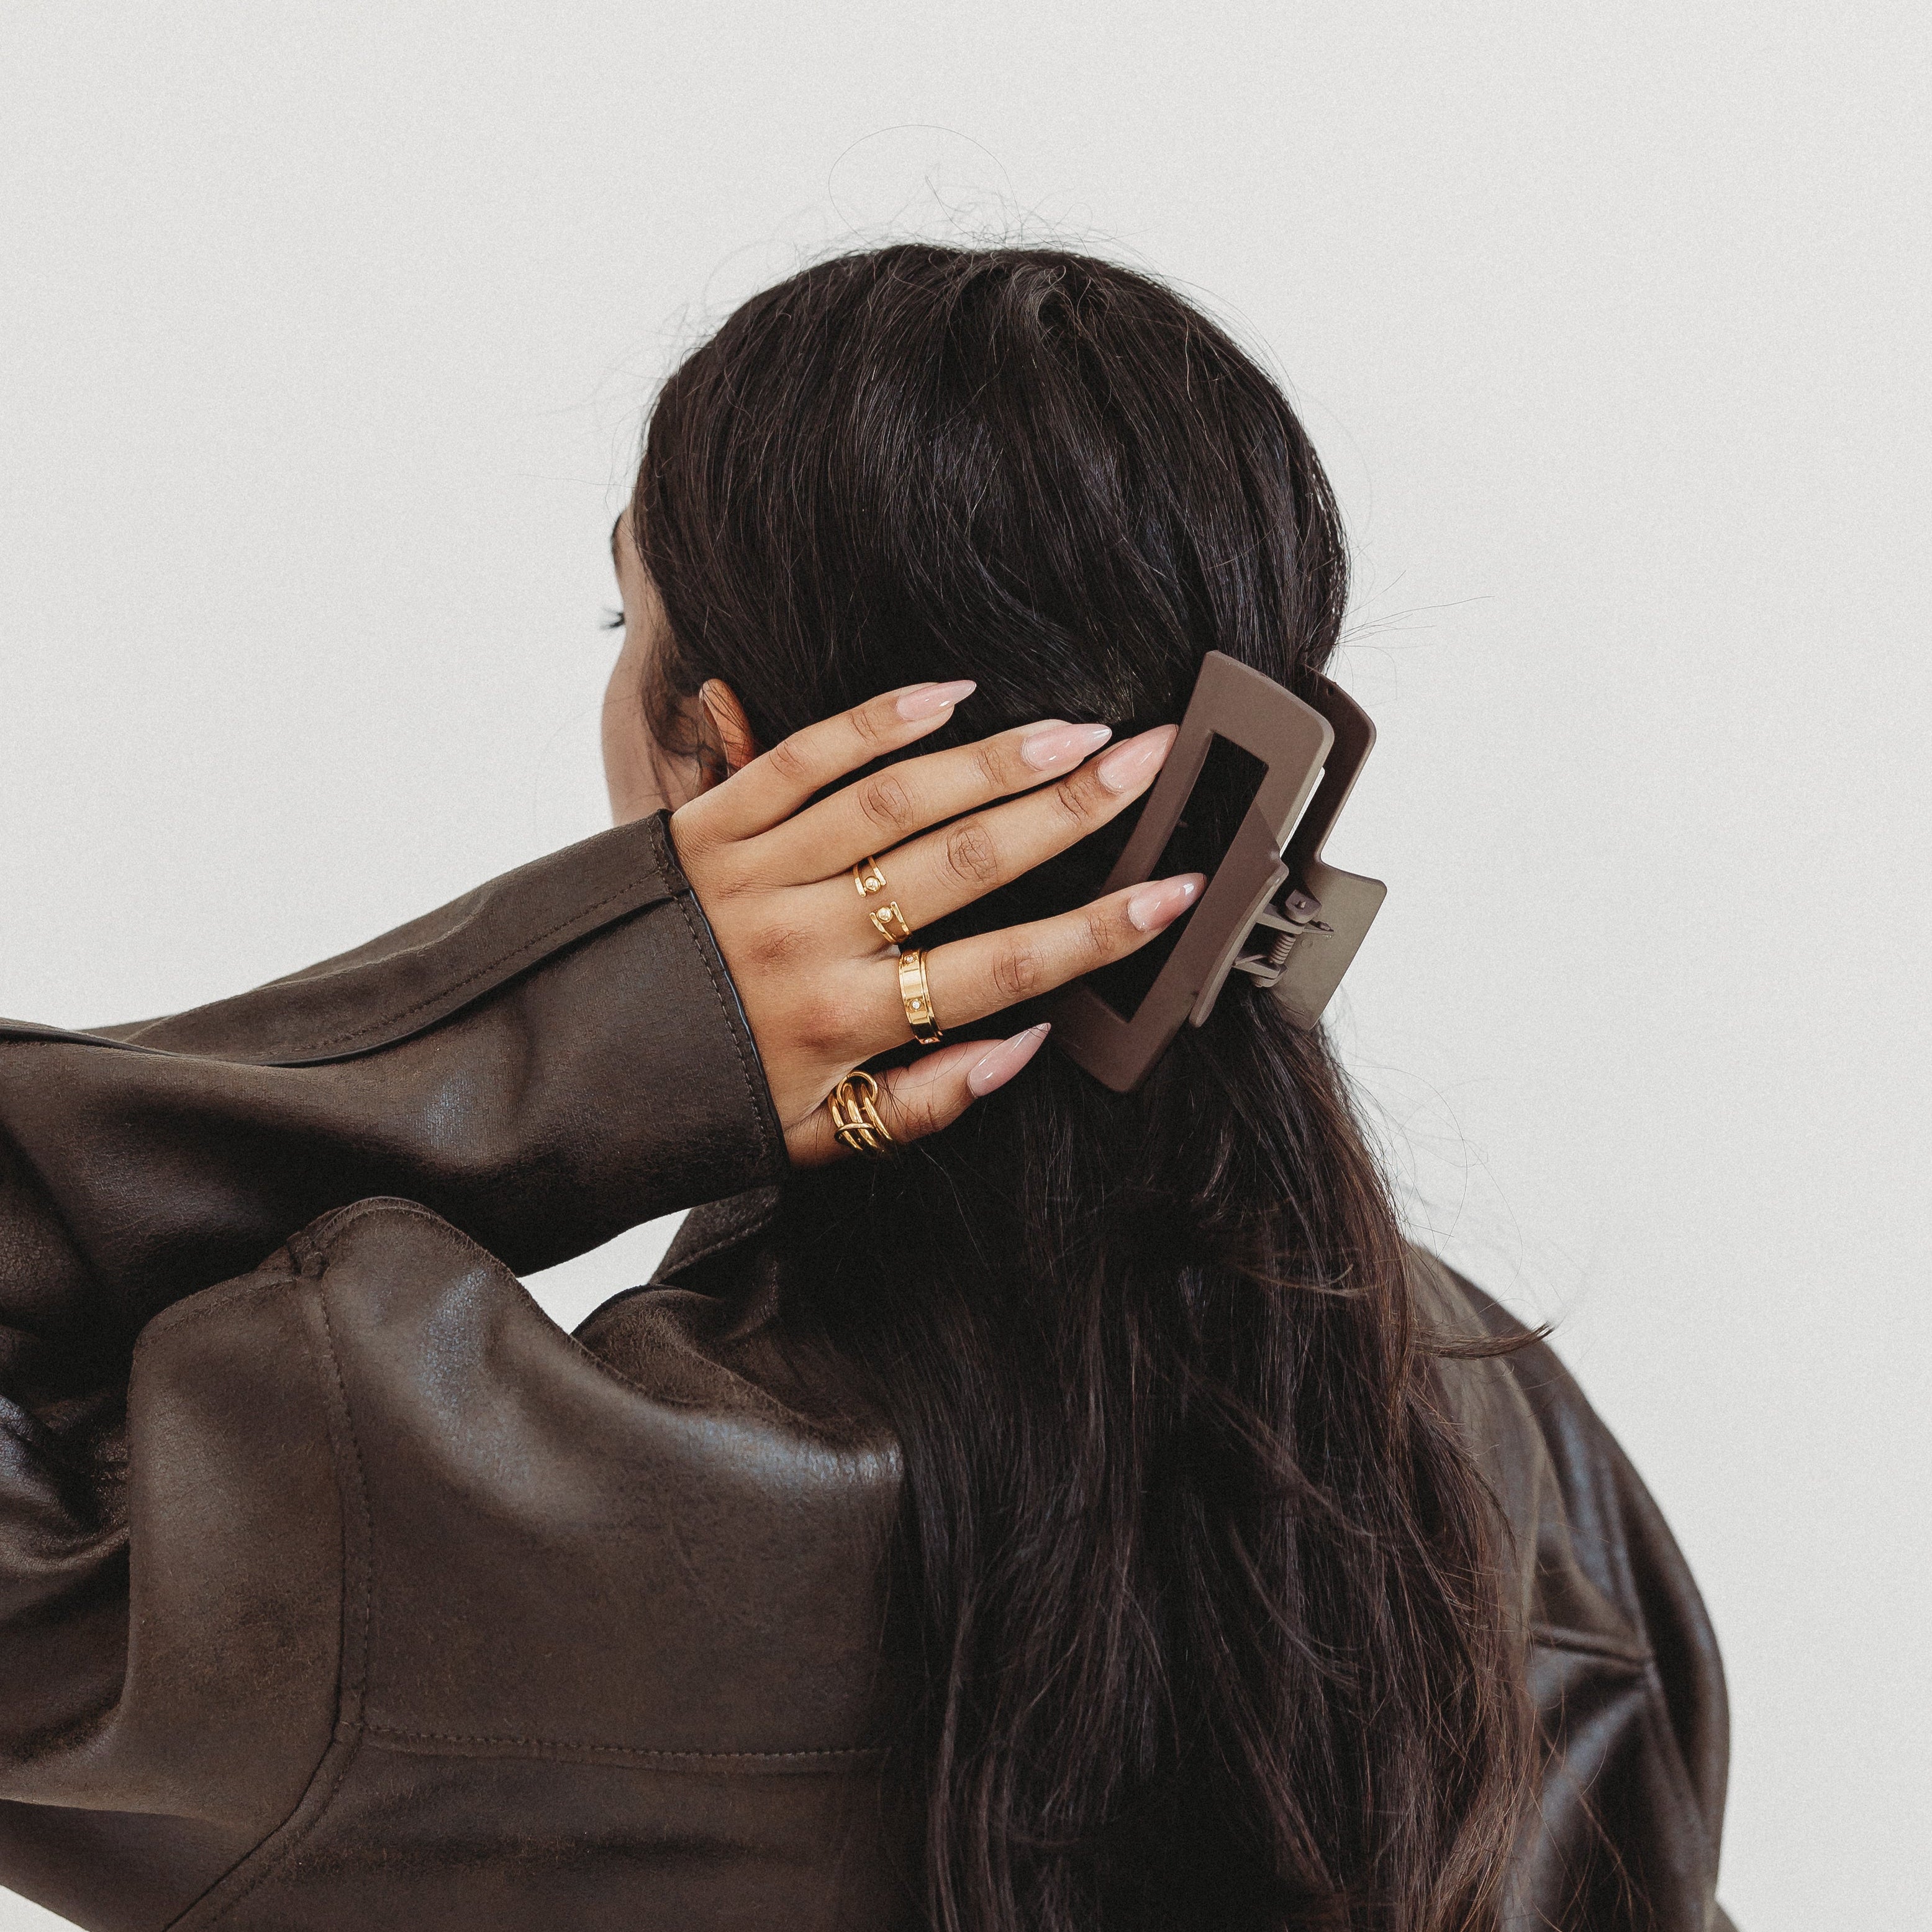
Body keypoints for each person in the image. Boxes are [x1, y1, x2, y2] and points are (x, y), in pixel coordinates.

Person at [0, 245, 1731, 1932]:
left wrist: (590, 1032)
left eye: (629, 615)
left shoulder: (465, 1522)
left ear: (732, 768)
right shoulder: (1494, 1449)